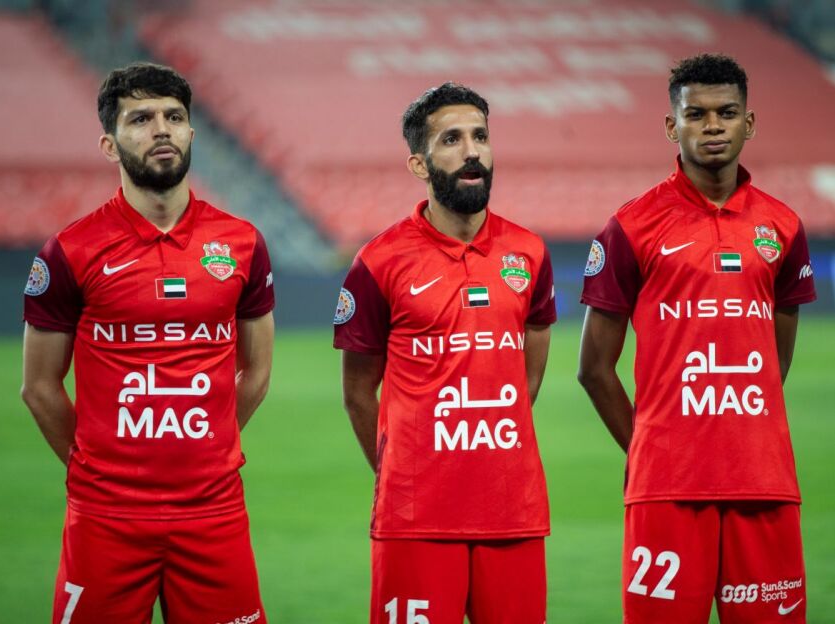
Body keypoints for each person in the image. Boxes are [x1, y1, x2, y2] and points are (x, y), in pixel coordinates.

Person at [21, 62, 274, 623]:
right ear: (110, 145)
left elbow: (256, 370)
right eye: (140, 119)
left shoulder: (242, 243)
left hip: (213, 510)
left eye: (173, 117)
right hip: (105, 516)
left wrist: (210, 446)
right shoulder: (71, 250)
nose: (161, 129)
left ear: (191, 132)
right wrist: (90, 467)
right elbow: (38, 386)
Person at [578, 53, 816, 623]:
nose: (713, 126)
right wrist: (647, 450)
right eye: (696, 114)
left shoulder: (783, 226)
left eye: (727, 113)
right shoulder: (631, 226)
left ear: (748, 123)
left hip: (763, 481)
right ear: (672, 125)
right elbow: (593, 368)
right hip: (667, 487)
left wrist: (738, 430)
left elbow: (775, 360)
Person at [334, 82, 556, 624]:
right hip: (416, 517)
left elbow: (526, 376)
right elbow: (358, 391)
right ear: (419, 163)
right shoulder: (379, 261)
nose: (472, 151)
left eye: (480, 136)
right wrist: (401, 474)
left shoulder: (529, 252)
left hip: (512, 510)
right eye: (452, 140)